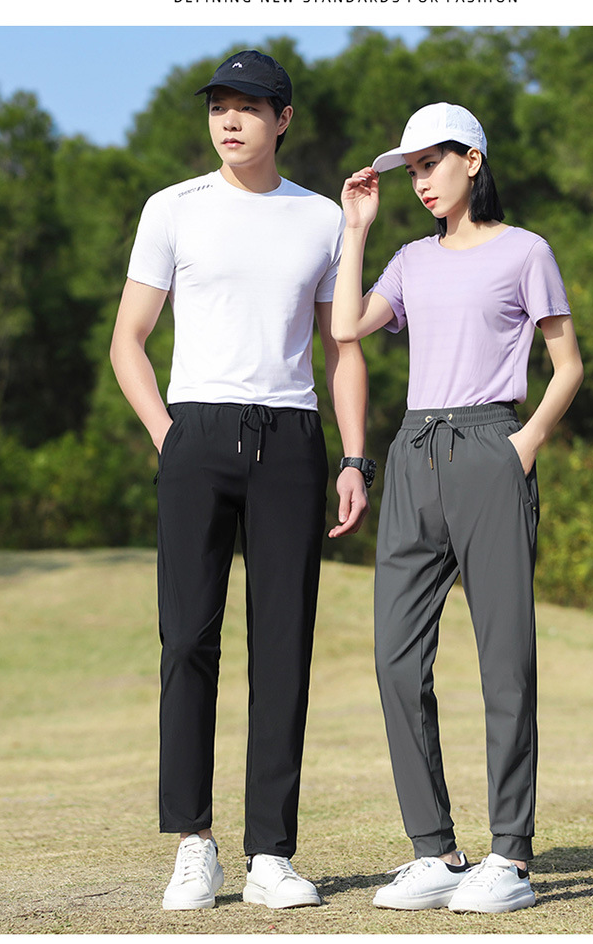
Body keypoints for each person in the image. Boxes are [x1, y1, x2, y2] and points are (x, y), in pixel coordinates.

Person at [110, 50, 373, 912]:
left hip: (291, 439)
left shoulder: (322, 219)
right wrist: (169, 437)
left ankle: (271, 854)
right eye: (219, 105)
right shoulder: (173, 208)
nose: (229, 119)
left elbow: (341, 348)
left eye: (249, 107)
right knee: (187, 640)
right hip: (196, 431)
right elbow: (128, 339)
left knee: (283, 646)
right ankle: (194, 844)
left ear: (282, 119)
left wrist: (353, 456)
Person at [332, 102, 584, 914]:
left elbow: (568, 364)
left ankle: (511, 855)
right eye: (411, 169)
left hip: (489, 447)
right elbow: (345, 324)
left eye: (431, 163)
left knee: (504, 661)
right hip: (413, 451)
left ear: (472, 159)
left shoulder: (526, 251)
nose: (421, 181)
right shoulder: (410, 259)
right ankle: (435, 851)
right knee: (395, 660)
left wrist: (525, 443)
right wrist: (357, 229)